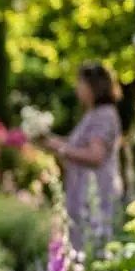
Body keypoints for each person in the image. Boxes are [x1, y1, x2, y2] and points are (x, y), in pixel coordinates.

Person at [44, 64, 122, 247]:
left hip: (95, 195)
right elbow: (78, 145)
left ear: (94, 86)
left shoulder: (103, 115)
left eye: (80, 83)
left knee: (92, 245)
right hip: (83, 193)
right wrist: (50, 141)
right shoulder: (94, 113)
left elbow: (96, 155)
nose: (77, 88)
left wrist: (60, 149)